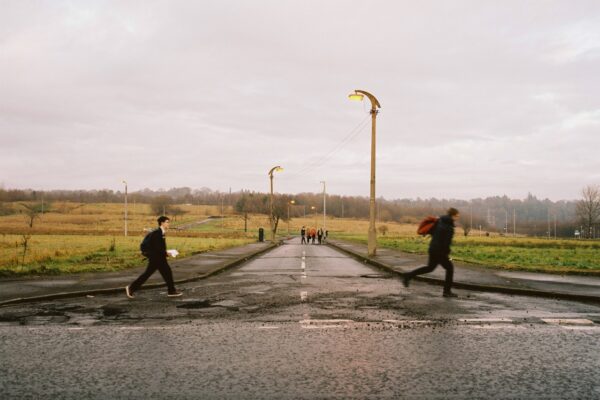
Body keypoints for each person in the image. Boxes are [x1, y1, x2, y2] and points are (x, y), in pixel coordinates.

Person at [403, 208, 460, 298]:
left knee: (429, 268)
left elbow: (433, 233)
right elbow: (446, 243)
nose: (458, 218)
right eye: (457, 216)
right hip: (440, 252)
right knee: (450, 268)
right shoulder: (449, 227)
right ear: (453, 215)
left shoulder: (439, 221)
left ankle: (408, 275)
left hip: (433, 248)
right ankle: (447, 292)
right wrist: (447, 253)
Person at [125, 216, 182, 298]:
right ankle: (131, 288)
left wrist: (166, 253)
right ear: (162, 223)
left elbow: (159, 247)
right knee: (147, 274)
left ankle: (171, 291)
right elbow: (157, 248)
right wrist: (167, 253)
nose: (169, 224)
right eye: (167, 222)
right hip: (156, 259)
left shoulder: (161, 232)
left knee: (167, 273)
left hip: (159, 258)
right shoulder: (157, 233)